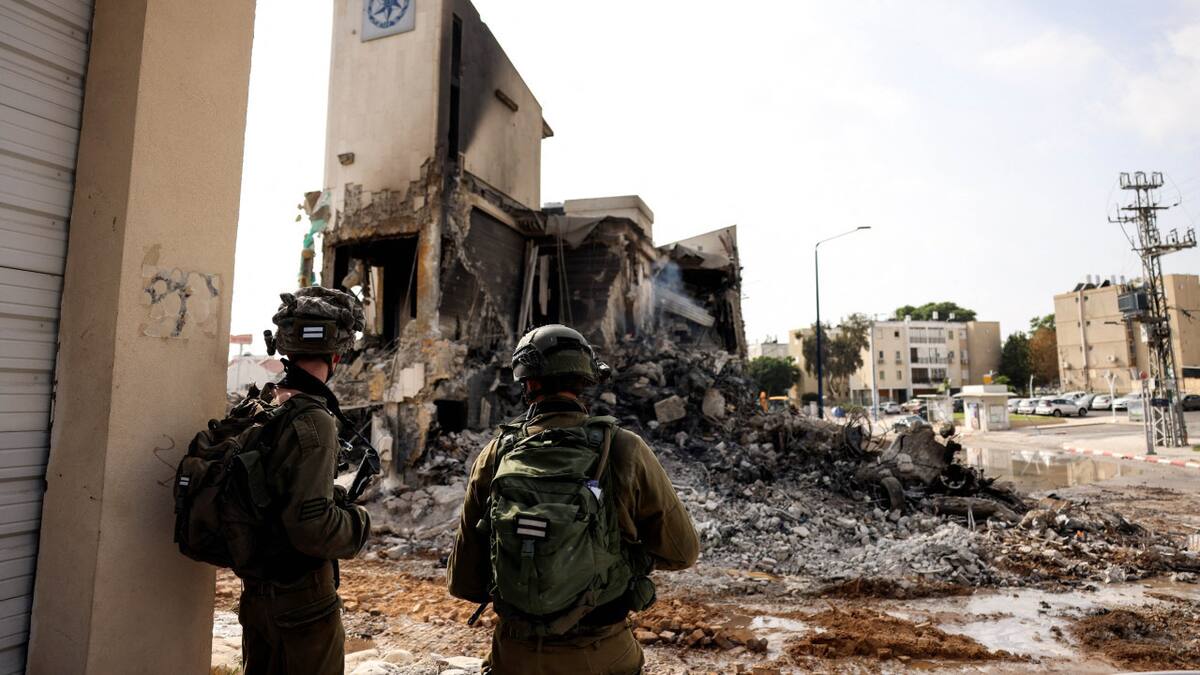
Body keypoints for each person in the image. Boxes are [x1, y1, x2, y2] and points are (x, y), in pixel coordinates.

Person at [448, 324, 700, 674]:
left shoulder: (495, 455)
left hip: (516, 657)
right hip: (604, 654)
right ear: (585, 380)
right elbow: (683, 551)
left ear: (528, 384)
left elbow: (464, 583)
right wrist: (620, 558)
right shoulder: (624, 449)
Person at [238, 286, 372, 675]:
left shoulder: (260, 406)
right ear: (337, 354)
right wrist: (358, 522)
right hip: (302, 602)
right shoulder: (314, 418)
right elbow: (312, 529)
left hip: (257, 596)